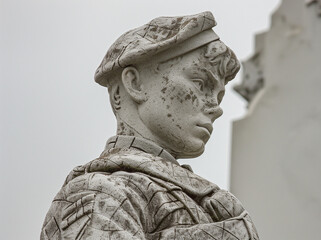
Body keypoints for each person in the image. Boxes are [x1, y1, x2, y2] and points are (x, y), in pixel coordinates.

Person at [41, 11, 259, 239]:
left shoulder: (201, 199)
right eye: (200, 82)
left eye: (219, 96)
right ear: (135, 83)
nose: (215, 106)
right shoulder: (99, 193)